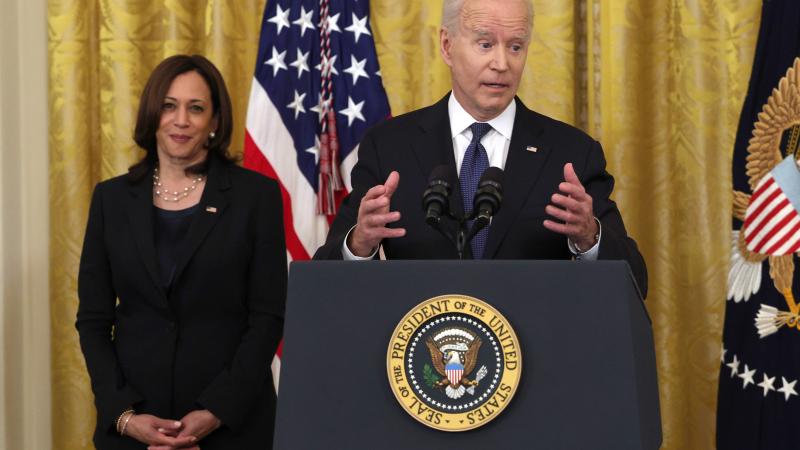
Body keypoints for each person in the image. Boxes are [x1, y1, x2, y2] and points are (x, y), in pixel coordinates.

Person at [314, 0, 647, 297]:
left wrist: (590, 237)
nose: (501, 63)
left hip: (537, 357)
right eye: (485, 44)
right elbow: (324, 280)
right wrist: (359, 243)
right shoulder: (389, 147)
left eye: (515, 47)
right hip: (420, 355)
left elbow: (636, 281)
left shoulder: (571, 153)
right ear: (447, 45)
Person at [76, 54, 287, 449]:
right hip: (134, 427)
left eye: (196, 108)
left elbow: (268, 315)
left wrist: (217, 410)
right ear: (153, 112)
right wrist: (124, 416)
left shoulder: (255, 197)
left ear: (215, 121)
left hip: (233, 427)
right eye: (169, 106)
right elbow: (92, 320)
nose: (181, 120)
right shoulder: (111, 199)